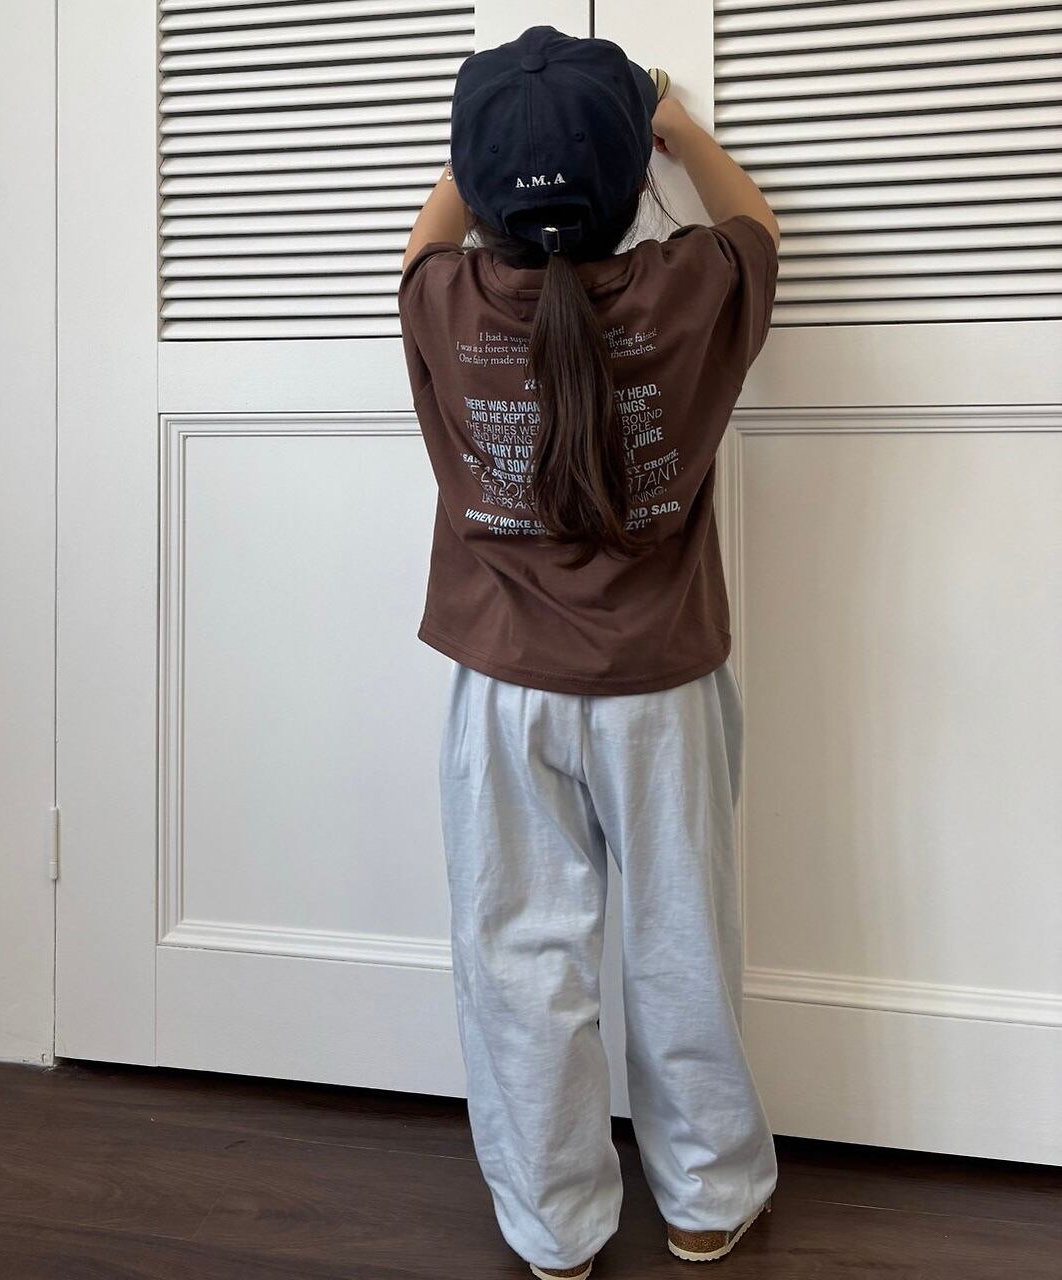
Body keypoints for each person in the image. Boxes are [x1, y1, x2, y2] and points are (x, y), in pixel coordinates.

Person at [395, 23, 782, 1280]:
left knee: (518, 960)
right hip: (662, 689)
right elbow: (755, 225)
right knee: (682, 946)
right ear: (630, 183)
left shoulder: (444, 303)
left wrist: (481, 159)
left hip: (503, 693)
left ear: (478, 194)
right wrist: (672, 119)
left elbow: (424, 242)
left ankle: (553, 1224)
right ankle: (707, 1195)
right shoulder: (691, 288)